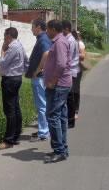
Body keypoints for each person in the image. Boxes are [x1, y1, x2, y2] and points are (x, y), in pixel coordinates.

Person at [43, 20, 72, 163]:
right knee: (60, 117)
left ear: (53, 29)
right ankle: (62, 149)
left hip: (58, 86)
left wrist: (53, 81)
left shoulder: (59, 42)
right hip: (62, 85)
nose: (47, 32)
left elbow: (61, 64)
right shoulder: (61, 41)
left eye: (48, 30)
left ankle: (59, 150)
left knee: (53, 116)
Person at [0, 27, 29, 149]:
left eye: (4, 36)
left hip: (10, 80)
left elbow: (3, 62)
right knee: (15, 107)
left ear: (9, 36)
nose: (4, 39)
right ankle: (16, 135)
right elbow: (26, 61)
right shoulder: (20, 45)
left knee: (9, 109)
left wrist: (2, 51)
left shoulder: (12, 47)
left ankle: (9, 140)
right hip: (16, 78)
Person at [26, 19, 52, 142]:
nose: (31, 29)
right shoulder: (43, 39)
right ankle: (45, 129)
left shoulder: (43, 39)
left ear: (38, 27)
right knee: (43, 104)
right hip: (42, 77)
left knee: (42, 105)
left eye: (33, 27)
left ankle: (43, 132)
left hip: (40, 77)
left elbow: (46, 54)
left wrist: (37, 70)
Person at [62, 20, 80, 129]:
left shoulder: (70, 40)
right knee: (69, 97)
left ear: (67, 29)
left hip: (70, 71)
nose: (61, 31)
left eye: (62, 29)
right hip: (71, 70)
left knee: (69, 97)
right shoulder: (69, 39)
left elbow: (67, 57)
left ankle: (71, 120)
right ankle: (69, 119)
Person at [69, 30, 86, 125]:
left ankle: (75, 111)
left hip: (77, 70)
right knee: (69, 91)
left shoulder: (80, 44)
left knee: (75, 91)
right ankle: (71, 111)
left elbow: (83, 56)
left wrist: (74, 54)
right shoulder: (70, 43)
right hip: (70, 71)